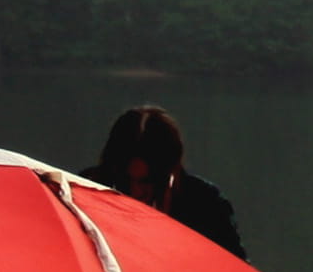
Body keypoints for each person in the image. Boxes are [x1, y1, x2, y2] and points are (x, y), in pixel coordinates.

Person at [94, 104, 243, 259]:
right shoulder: (86, 192)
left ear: (168, 174)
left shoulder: (206, 206)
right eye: (125, 180)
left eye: (147, 182)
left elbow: (235, 268)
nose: (136, 192)